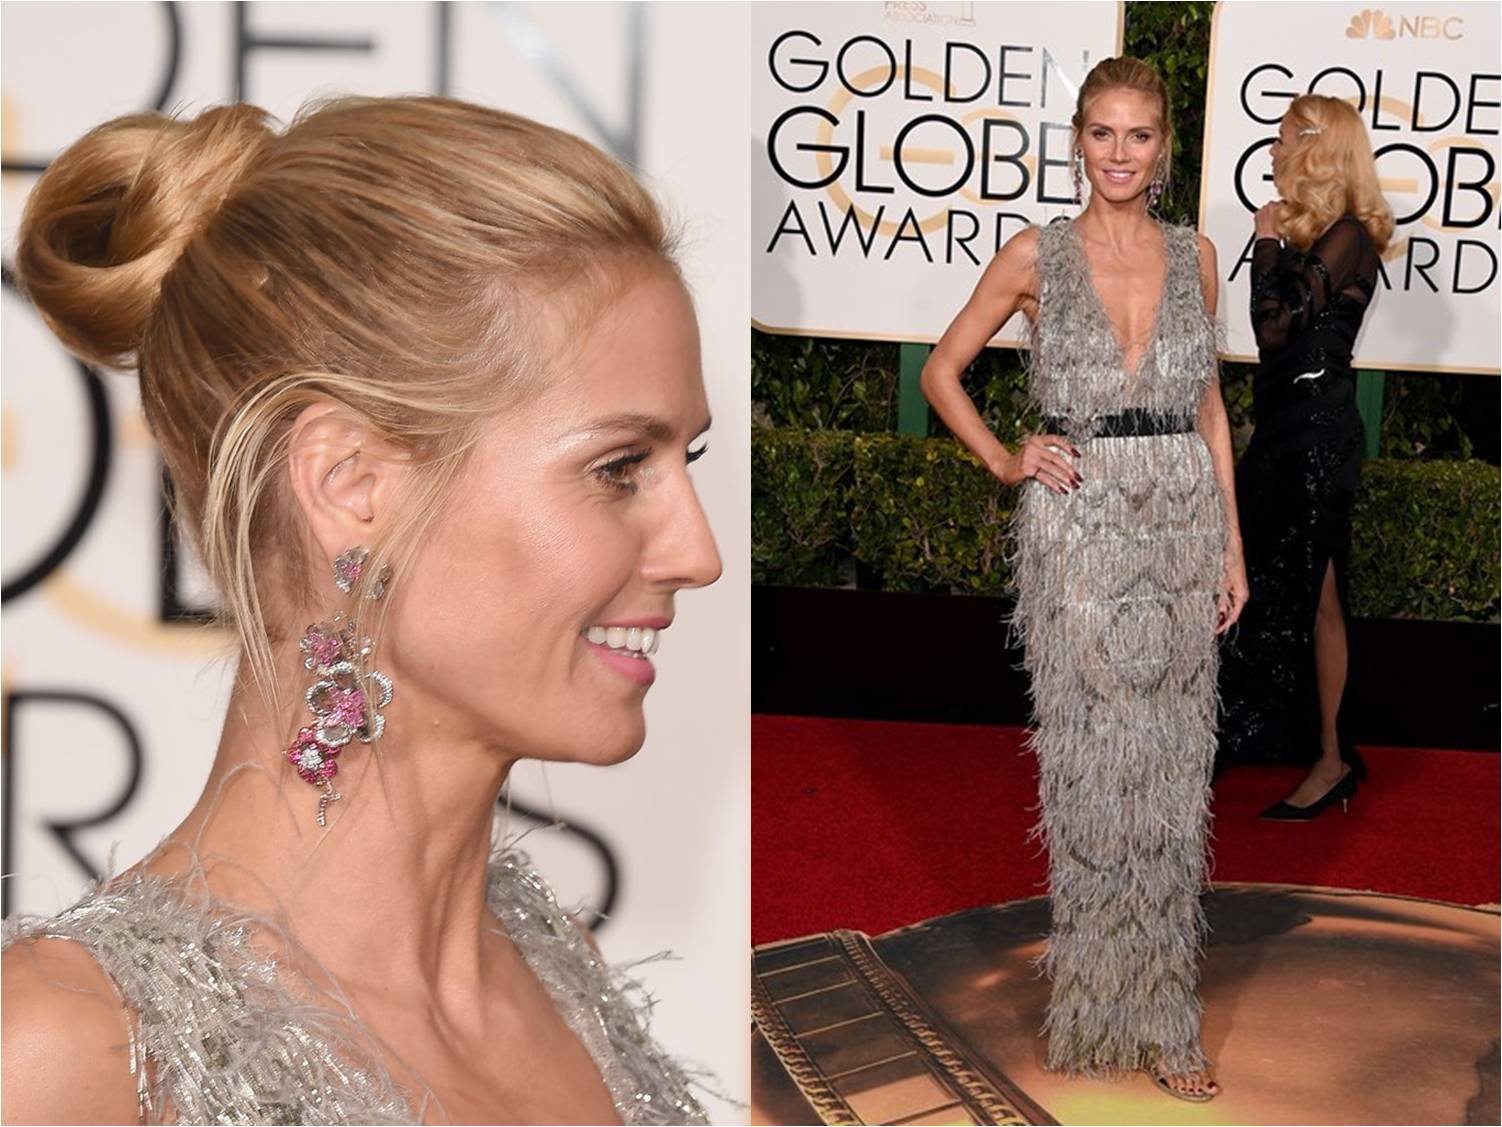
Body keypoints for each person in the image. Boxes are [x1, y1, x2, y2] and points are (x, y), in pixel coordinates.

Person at [1, 96, 721, 1125]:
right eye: (618, 467)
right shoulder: (65, 1050)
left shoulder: (559, 975)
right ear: (352, 487)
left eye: (685, 459)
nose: (698, 554)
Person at [920, 57, 1246, 1102]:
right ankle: (1095, 1006)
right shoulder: (1035, 254)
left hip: (1180, 525)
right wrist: (1005, 454)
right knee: (1093, 772)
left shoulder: (1196, 256)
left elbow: (1208, 407)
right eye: (1101, 133)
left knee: (1172, 774)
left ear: (1164, 147)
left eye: (1138, 135)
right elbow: (941, 370)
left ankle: (1164, 1017)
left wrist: (1231, 547)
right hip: (1078, 529)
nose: (1119, 153)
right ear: (1076, 141)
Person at [1217, 95, 1392, 820]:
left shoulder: (1348, 235)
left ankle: (1328, 759)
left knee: (1317, 597)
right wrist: (1277, 242)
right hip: (1281, 432)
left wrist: (1264, 242)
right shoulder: (1315, 237)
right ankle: (1262, 736)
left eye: (1284, 138)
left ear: (1317, 149)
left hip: (1319, 439)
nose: (1273, 150)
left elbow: (1274, 328)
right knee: (1268, 584)